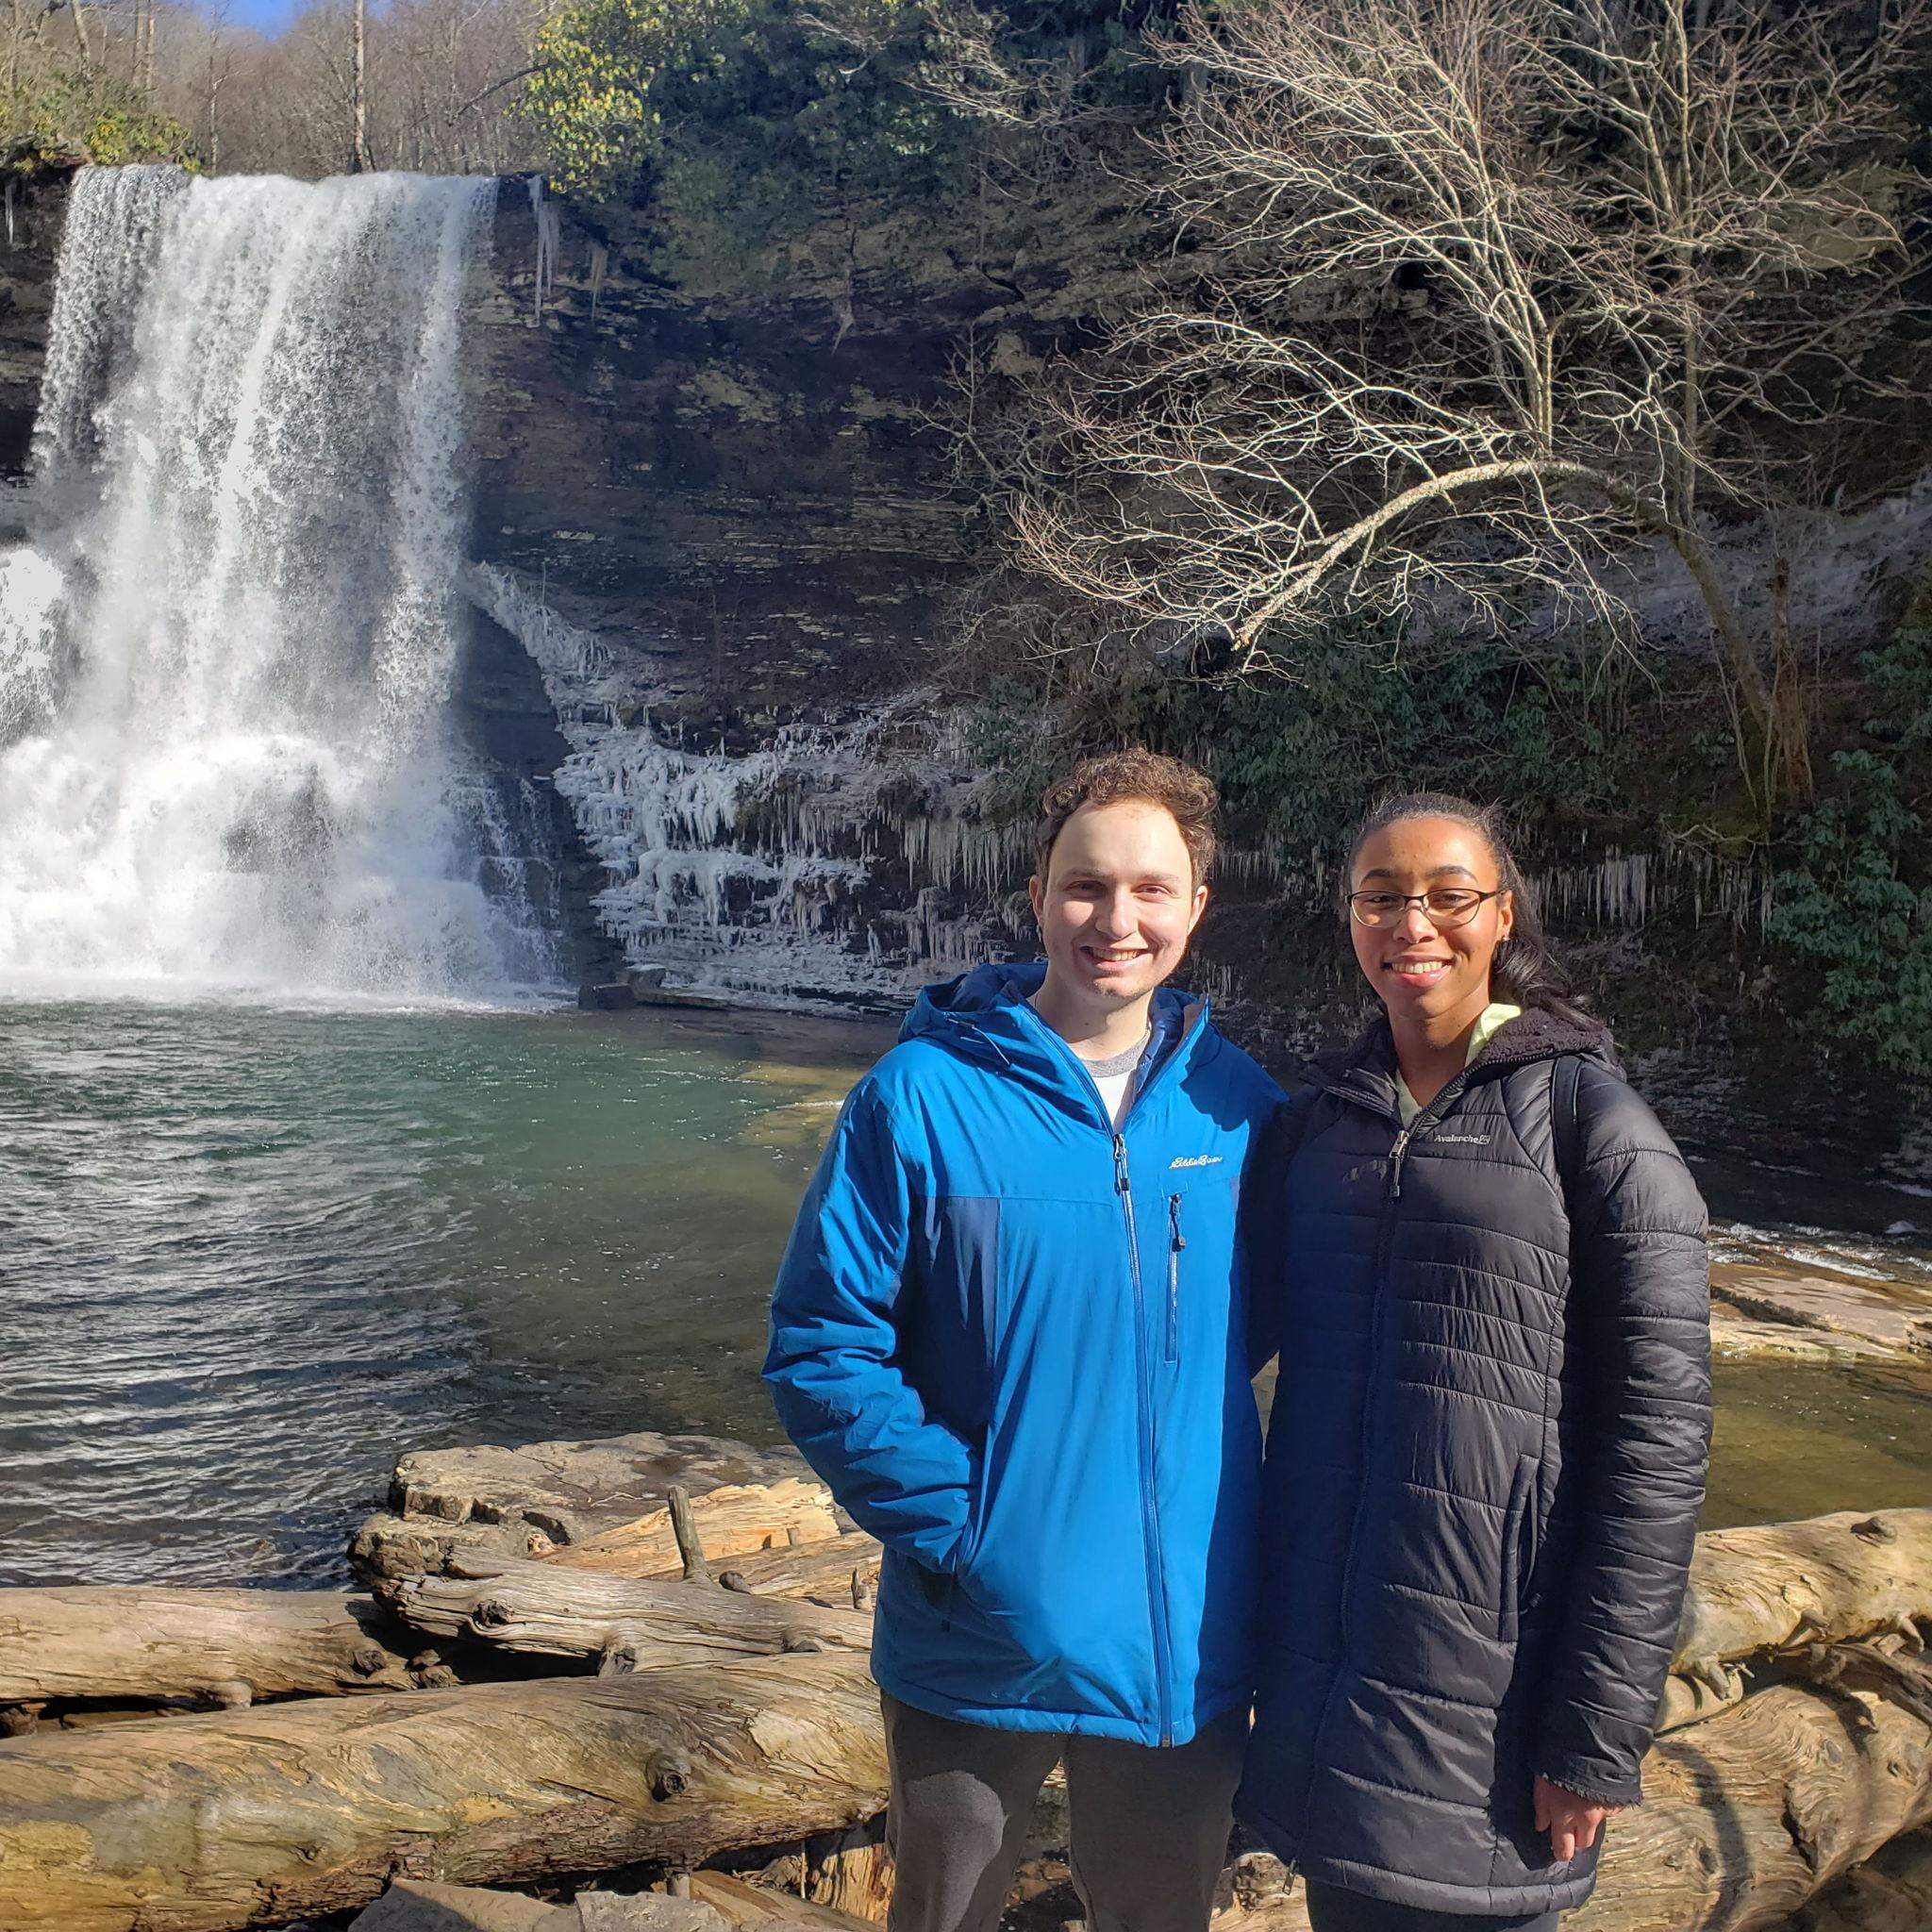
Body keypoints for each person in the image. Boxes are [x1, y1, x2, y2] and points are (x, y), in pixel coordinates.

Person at [764, 748, 1283, 1932]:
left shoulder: (1242, 1114)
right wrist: (966, 1526)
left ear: (1196, 907)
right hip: (971, 1643)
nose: (1116, 918)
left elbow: (1263, 1337)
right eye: (1085, 886)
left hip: (1180, 1649)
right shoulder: (919, 1097)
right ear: (1036, 897)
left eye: (1151, 889)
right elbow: (820, 1343)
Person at [1240, 791, 1711, 1931]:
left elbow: (1655, 1450)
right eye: (1381, 897)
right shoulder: (1318, 1128)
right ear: (1350, 922)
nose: (1414, 922)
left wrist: (1595, 1731)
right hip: (1325, 1697)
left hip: (1493, 1712)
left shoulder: (1594, 1127)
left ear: (1502, 916)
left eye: (1448, 895)